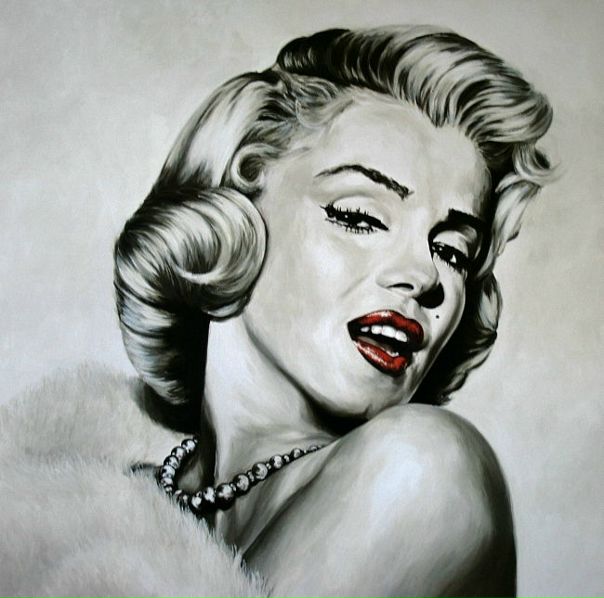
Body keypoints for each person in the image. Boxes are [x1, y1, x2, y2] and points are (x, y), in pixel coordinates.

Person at [0, 26, 553, 598]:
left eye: (454, 252)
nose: (424, 275)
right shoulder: (68, 494)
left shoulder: (425, 470)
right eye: (360, 216)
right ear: (236, 206)